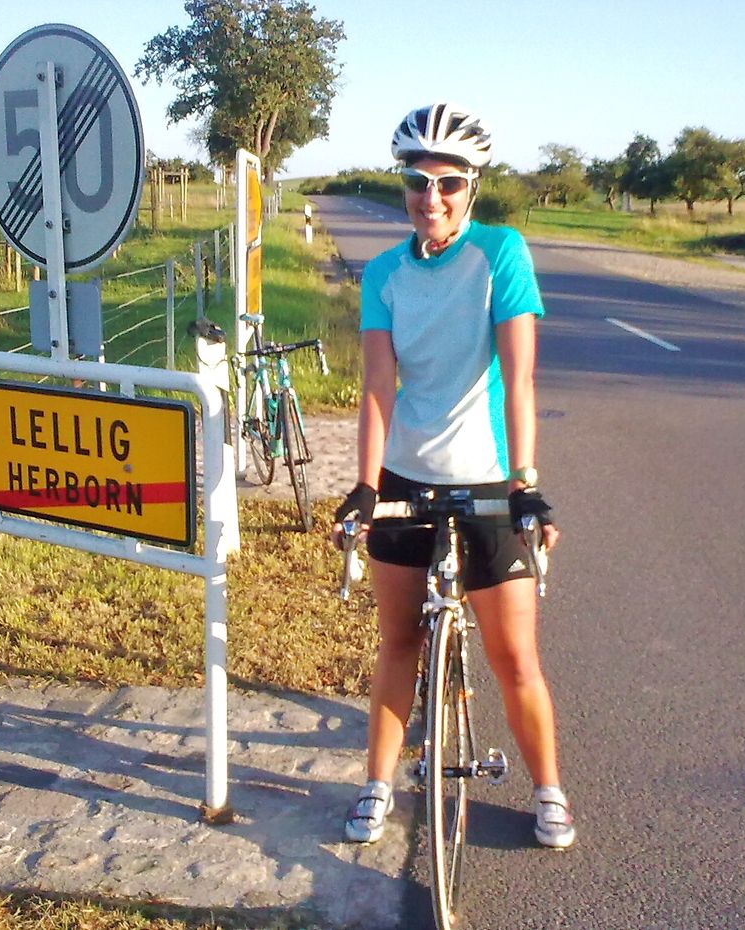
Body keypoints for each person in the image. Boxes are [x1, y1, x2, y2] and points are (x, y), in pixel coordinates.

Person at [331, 103, 574, 850]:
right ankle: (377, 785)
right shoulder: (384, 272)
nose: (430, 198)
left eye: (449, 182)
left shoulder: (500, 252)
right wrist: (366, 485)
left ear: (473, 186)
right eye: (417, 181)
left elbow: (520, 378)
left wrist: (525, 482)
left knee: (514, 657)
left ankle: (549, 790)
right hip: (406, 478)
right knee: (398, 642)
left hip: (490, 481)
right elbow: (378, 386)